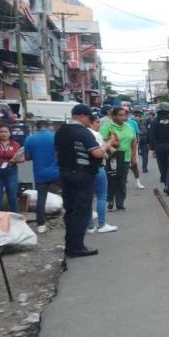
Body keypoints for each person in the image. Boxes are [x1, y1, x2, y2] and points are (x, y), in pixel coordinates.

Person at [54, 104, 114, 258]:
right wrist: (108, 143)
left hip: (65, 174)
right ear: (81, 116)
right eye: (89, 118)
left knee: (71, 211)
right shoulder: (83, 132)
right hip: (81, 176)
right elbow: (97, 153)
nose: (90, 121)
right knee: (81, 211)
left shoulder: (61, 131)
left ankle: (70, 245)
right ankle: (77, 247)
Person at [22, 120, 60, 234]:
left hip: (40, 174)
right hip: (56, 172)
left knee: (41, 199)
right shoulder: (54, 137)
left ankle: (41, 225)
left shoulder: (29, 139)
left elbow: (27, 157)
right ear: (48, 127)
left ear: (36, 127)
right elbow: (60, 152)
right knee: (68, 193)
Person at [100, 106, 136, 211]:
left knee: (122, 180)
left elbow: (133, 142)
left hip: (125, 155)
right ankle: (110, 200)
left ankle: (120, 203)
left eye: (124, 115)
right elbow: (100, 139)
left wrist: (134, 157)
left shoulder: (128, 126)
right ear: (114, 116)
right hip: (112, 156)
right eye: (120, 115)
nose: (123, 117)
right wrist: (109, 147)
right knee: (111, 179)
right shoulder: (108, 126)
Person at [86, 113, 117, 234]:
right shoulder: (96, 135)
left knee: (89, 197)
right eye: (97, 122)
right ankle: (102, 224)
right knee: (102, 196)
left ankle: (89, 226)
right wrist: (110, 142)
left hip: (86, 168)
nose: (99, 125)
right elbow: (101, 152)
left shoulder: (83, 134)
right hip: (98, 167)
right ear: (91, 123)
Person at [0, 125, 23, 212]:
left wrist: (16, 159)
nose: (3, 134)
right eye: (1, 132)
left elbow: (22, 158)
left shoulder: (15, 144)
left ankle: (16, 216)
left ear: (10, 133)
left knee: (12, 194)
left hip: (11, 170)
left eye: (6, 132)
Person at [126, 110, 145, 189]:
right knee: (123, 165)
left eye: (126, 113)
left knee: (134, 164)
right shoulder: (115, 124)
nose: (125, 115)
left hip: (133, 145)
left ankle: (138, 182)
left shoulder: (133, 122)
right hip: (121, 147)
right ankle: (123, 181)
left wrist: (138, 144)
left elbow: (137, 133)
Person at [134, 109, 150, 174]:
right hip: (145, 137)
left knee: (133, 154)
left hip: (135, 138)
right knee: (145, 154)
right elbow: (149, 128)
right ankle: (144, 168)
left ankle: (133, 167)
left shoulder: (132, 120)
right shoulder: (146, 119)